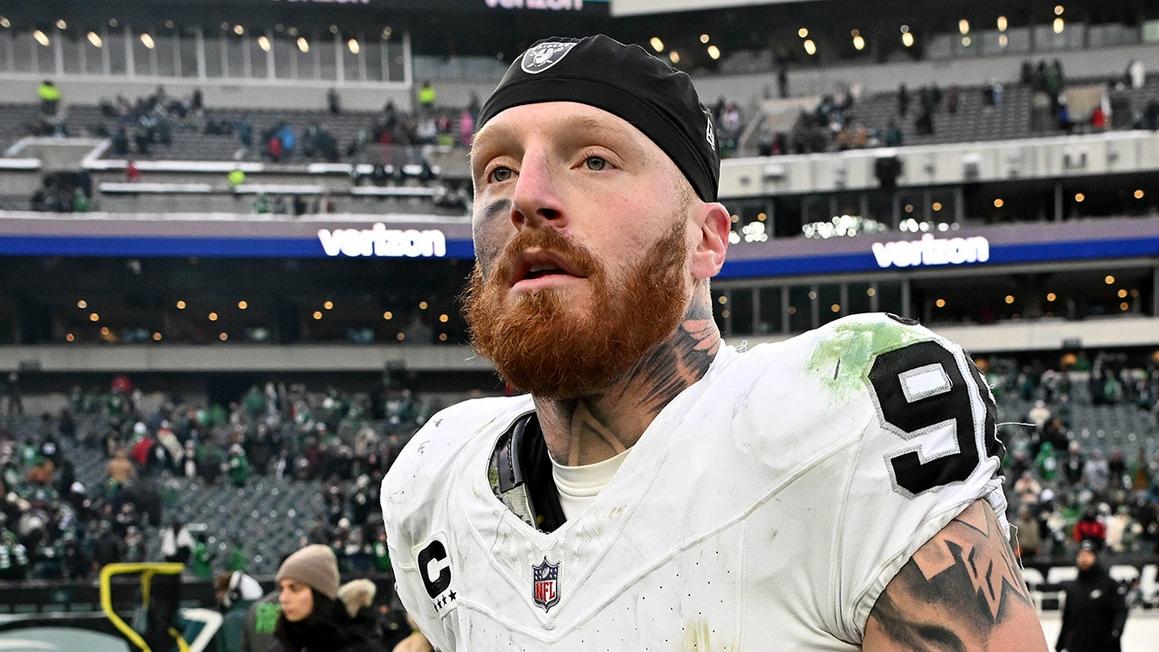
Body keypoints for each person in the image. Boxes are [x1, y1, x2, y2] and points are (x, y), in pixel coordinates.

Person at [380, 34, 1047, 650]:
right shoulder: (434, 477)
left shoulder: (833, 417)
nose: (526, 196)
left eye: (593, 159)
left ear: (706, 239)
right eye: (496, 170)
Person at [273, 544, 383, 652]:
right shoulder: (287, 641)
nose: (283, 598)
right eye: (281, 589)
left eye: (295, 588)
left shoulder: (359, 645)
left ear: (319, 592)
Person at [1056, 540, 1127, 652]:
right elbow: (1067, 618)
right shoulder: (1073, 588)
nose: (1084, 559)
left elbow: (1121, 610)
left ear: (1095, 557)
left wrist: (1116, 631)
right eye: (1081, 555)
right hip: (1077, 646)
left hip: (1104, 645)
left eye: (1088, 555)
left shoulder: (1109, 584)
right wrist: (1060, 643)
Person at [215, 570, 264, 652]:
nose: (218, 596)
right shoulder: (264, 613)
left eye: (220, 590)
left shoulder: (234, 619)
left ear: (234, 595)